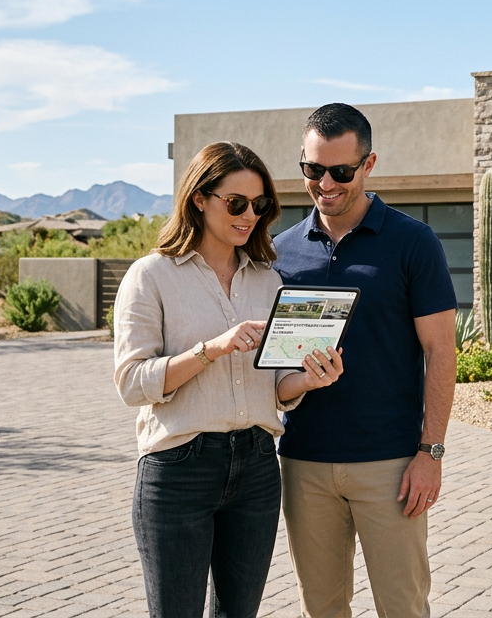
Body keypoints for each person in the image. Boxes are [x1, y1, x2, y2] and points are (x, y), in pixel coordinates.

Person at [113, 141, 344, 618]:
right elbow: (132, 383)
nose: (249, 216)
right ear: (199, 198)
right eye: (236, 203)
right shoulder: (150, 276)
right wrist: (211, 349)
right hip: (180, 469)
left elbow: (277, 386)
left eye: (259, 206)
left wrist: (308, 379)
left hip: (258, 467)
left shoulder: (268, 281)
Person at [274, 103, 458, 618]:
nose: (325, 183)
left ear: (369, 164)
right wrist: (299, 384)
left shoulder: (412, 242)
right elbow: (275, 370)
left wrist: (431, 453)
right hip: (304, 463)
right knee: (323, 608)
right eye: (313, 169)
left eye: (340, 171)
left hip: (391, 466)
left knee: (403, 607)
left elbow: (442, 351)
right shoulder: (279, 253)